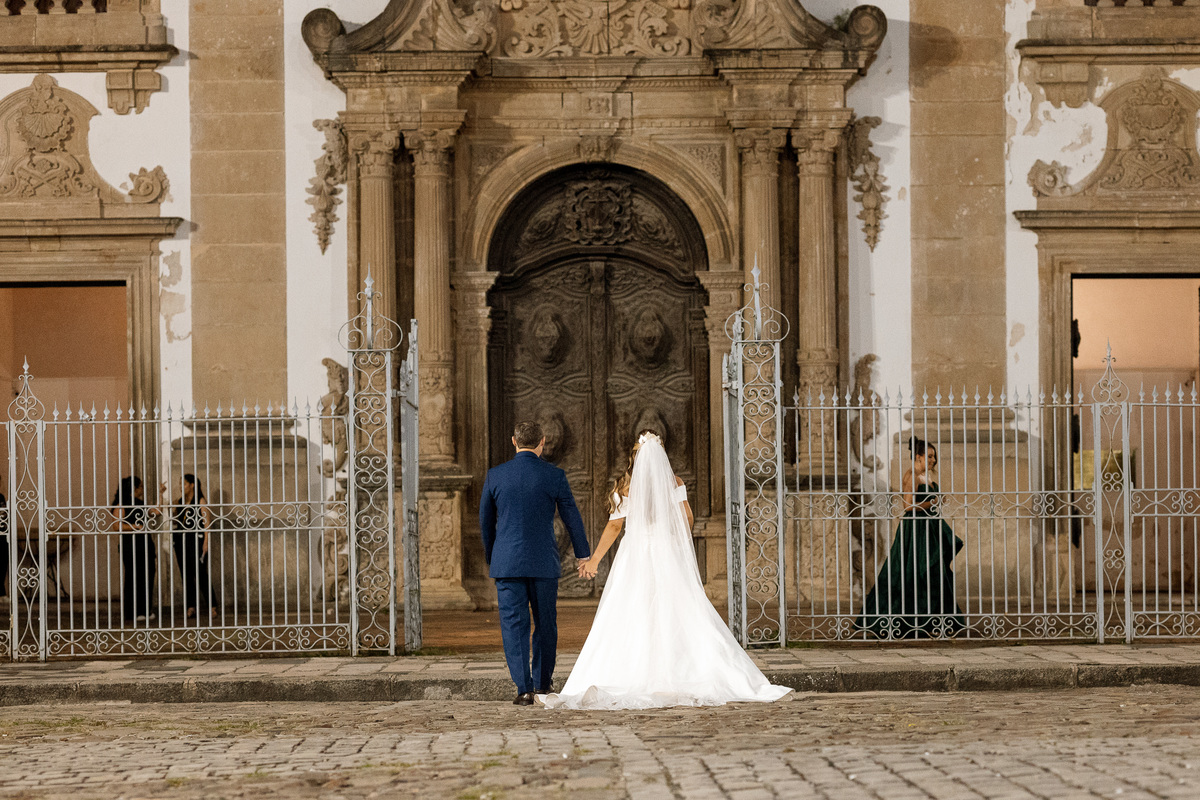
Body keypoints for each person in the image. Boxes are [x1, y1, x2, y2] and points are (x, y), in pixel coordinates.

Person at [542, 430, 792, 710]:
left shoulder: (624, 487)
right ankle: (682, 667)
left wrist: (595, 560)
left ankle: (634, 667)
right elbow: (686, 515)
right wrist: (679, 542)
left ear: (634, 456)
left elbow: (614, 526)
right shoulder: (674, 482)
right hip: (665, 551)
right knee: (677, 607)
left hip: (635, 553)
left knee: (631, 607)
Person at [479, 421, 590, 706]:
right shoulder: (554, 476)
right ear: (542, 442)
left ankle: (523, 689)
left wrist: (494, 556)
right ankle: (542, 683)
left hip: (507, 563)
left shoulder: (495, 476)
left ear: (513, 442)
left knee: (514, 625)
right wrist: (583, 554)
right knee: (545, 624)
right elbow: (572, 517)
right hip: (543, 562)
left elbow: (485, 523)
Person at [857, 437, 965, 639]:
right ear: (918, 457)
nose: (933, 460)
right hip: (916, 529)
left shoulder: (927, 477)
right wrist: (931, 502)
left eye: (934, 456)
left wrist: (936, 500)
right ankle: (902, 620)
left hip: (929, 528)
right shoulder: (913, 475)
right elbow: (907, 506)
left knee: (932, 572)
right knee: (913, 572)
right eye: (930, 456)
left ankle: (932, 620)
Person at [164, 474, 215, 620]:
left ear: (192, 485)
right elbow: (168, 509)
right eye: (181, 484)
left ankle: (212, 605)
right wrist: (162, 494)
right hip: (181, 541)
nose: (182, 487)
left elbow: (207, 523)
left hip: (196, 541)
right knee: (185, 574)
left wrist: (206, 542)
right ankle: (190, 606)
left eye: (184, 484)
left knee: (200, 573)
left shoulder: (200, 501)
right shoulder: (180, 502)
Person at [113, 476, 156, 624]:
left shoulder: (141, 504)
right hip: (131, 546)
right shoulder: (122, 504)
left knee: (148, 575)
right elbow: (116, 526)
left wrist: (162, 495)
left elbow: (156, 512)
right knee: (133, 577)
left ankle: (146, 609)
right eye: (141, 486)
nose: (142, 489)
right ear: (135, 488)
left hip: (145, 544)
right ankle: (133, 611)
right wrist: (134, 527)